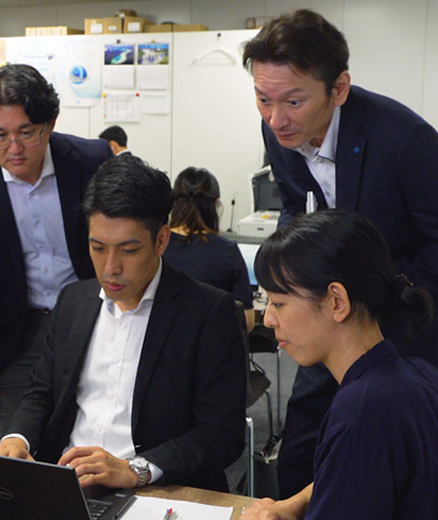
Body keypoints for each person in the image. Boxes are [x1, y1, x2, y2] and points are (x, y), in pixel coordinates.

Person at [242, 9, 438, 496]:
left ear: (339, 88)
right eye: (263, 99)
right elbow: (295, 205)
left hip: (404, 321)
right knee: (303, 443)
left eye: (293, 101)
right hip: (328, 315)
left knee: (384, 451)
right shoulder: (279, 132)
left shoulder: (405, 140)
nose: (276, 118)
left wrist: (381, 295)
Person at [0, 156, 246, 492]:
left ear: (161, 240)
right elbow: (42, 393)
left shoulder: (208, 312)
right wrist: (17, 438)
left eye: (128, 251)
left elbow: (222, 433)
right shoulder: (74, 301)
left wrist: (136, 470)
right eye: (98, 248)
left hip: (155, 488)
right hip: (68, 482)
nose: (110, 267)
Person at [0, 63, 112, 446]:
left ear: (49, 124)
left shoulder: (91, 161)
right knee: (16, 445)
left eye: (26, 133)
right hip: (16, 332)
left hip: (93, 317)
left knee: (99, 432)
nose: (14, 148)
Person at [241, 210, 438, 520]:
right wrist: (294, 504)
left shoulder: (359, 413)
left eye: (279, 303)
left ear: (337, 302)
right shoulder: (417, 374)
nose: (268, 319)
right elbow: (358, 476)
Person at [163, 167, 254, 331]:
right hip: (213, 342)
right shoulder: (227, 251)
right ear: (215, 203)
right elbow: (247, 321)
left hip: (162, 341)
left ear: (174, 203)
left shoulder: (157, 246)